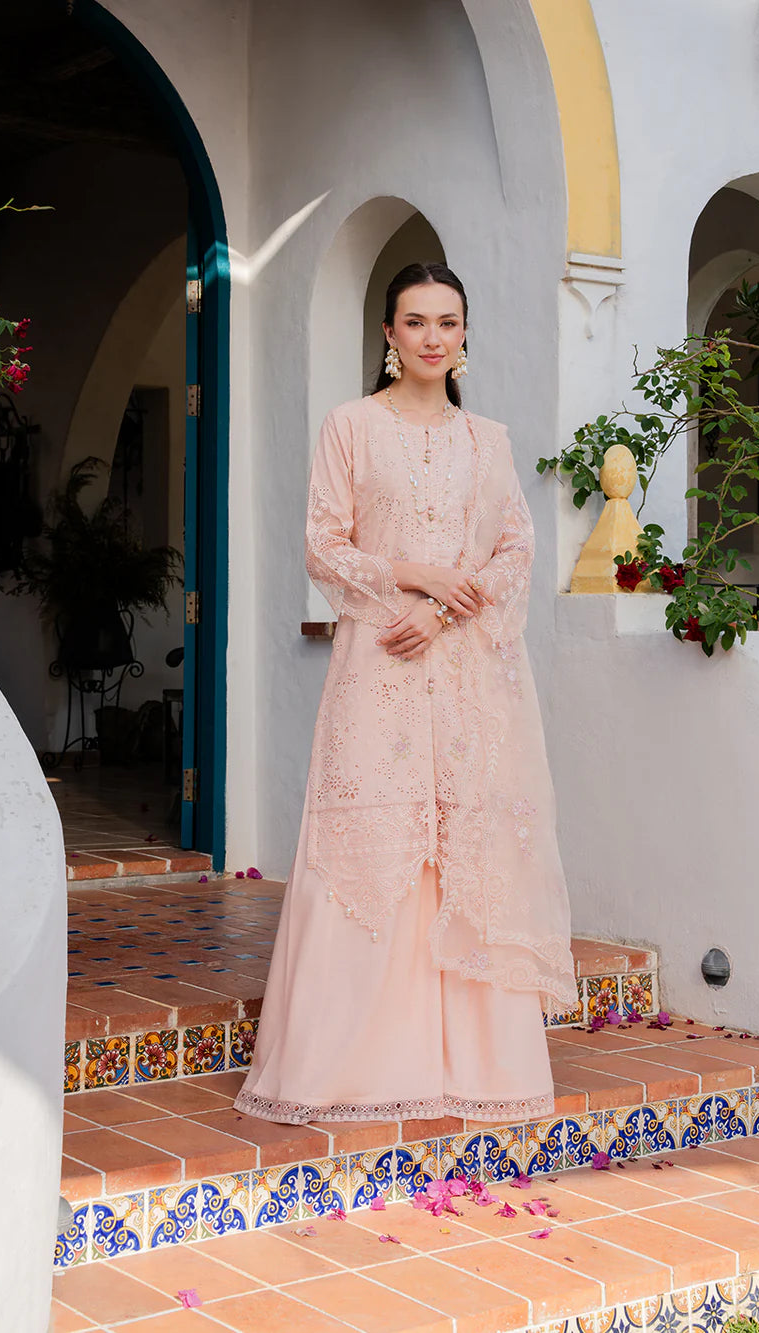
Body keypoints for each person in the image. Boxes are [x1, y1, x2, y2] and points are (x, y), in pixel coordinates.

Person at [235, 262, 574, 1125]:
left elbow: (515, 550)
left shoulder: (488, 441)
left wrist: (445, 612)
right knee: (372, 839)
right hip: (378, 669)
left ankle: (475, 1065)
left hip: (466, 681)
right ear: (388, 333)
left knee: (462, 842)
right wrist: (416, 578)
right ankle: (355, 1064)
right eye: (415, 321)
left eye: (447, 322)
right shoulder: (350, 426)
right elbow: (323, 546)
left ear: (465, 335)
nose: (432, 337)